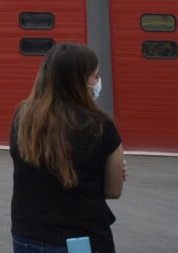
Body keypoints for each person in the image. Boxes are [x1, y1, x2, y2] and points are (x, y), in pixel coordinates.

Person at [10, 43, 125, 253]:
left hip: (26, 235)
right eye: (96, 76)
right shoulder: (100, 125)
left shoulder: (23, 118)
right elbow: (113, 190)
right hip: (79, 241)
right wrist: (110, 172)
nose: (98, 82)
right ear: (79, 82)